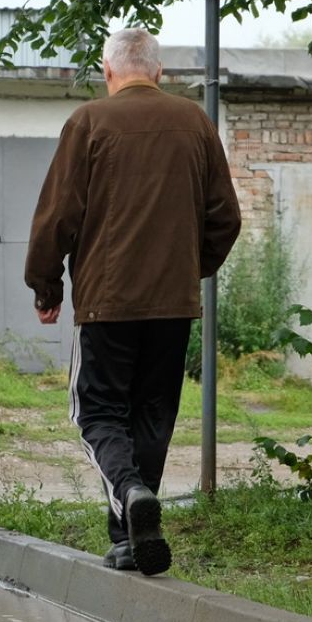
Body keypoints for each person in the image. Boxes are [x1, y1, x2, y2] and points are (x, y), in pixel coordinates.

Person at [24, 28, 241, 576]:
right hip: (173, 304)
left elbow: (57, 217)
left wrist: (46, 286)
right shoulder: (196, 123)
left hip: (107, 302)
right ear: (160, 73)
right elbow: (225, 218)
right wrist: (190, 270)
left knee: (96, 411)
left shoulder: (90, 122)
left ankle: (127, 491)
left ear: (108, 71)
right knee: (152, 413)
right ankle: (129, 539)